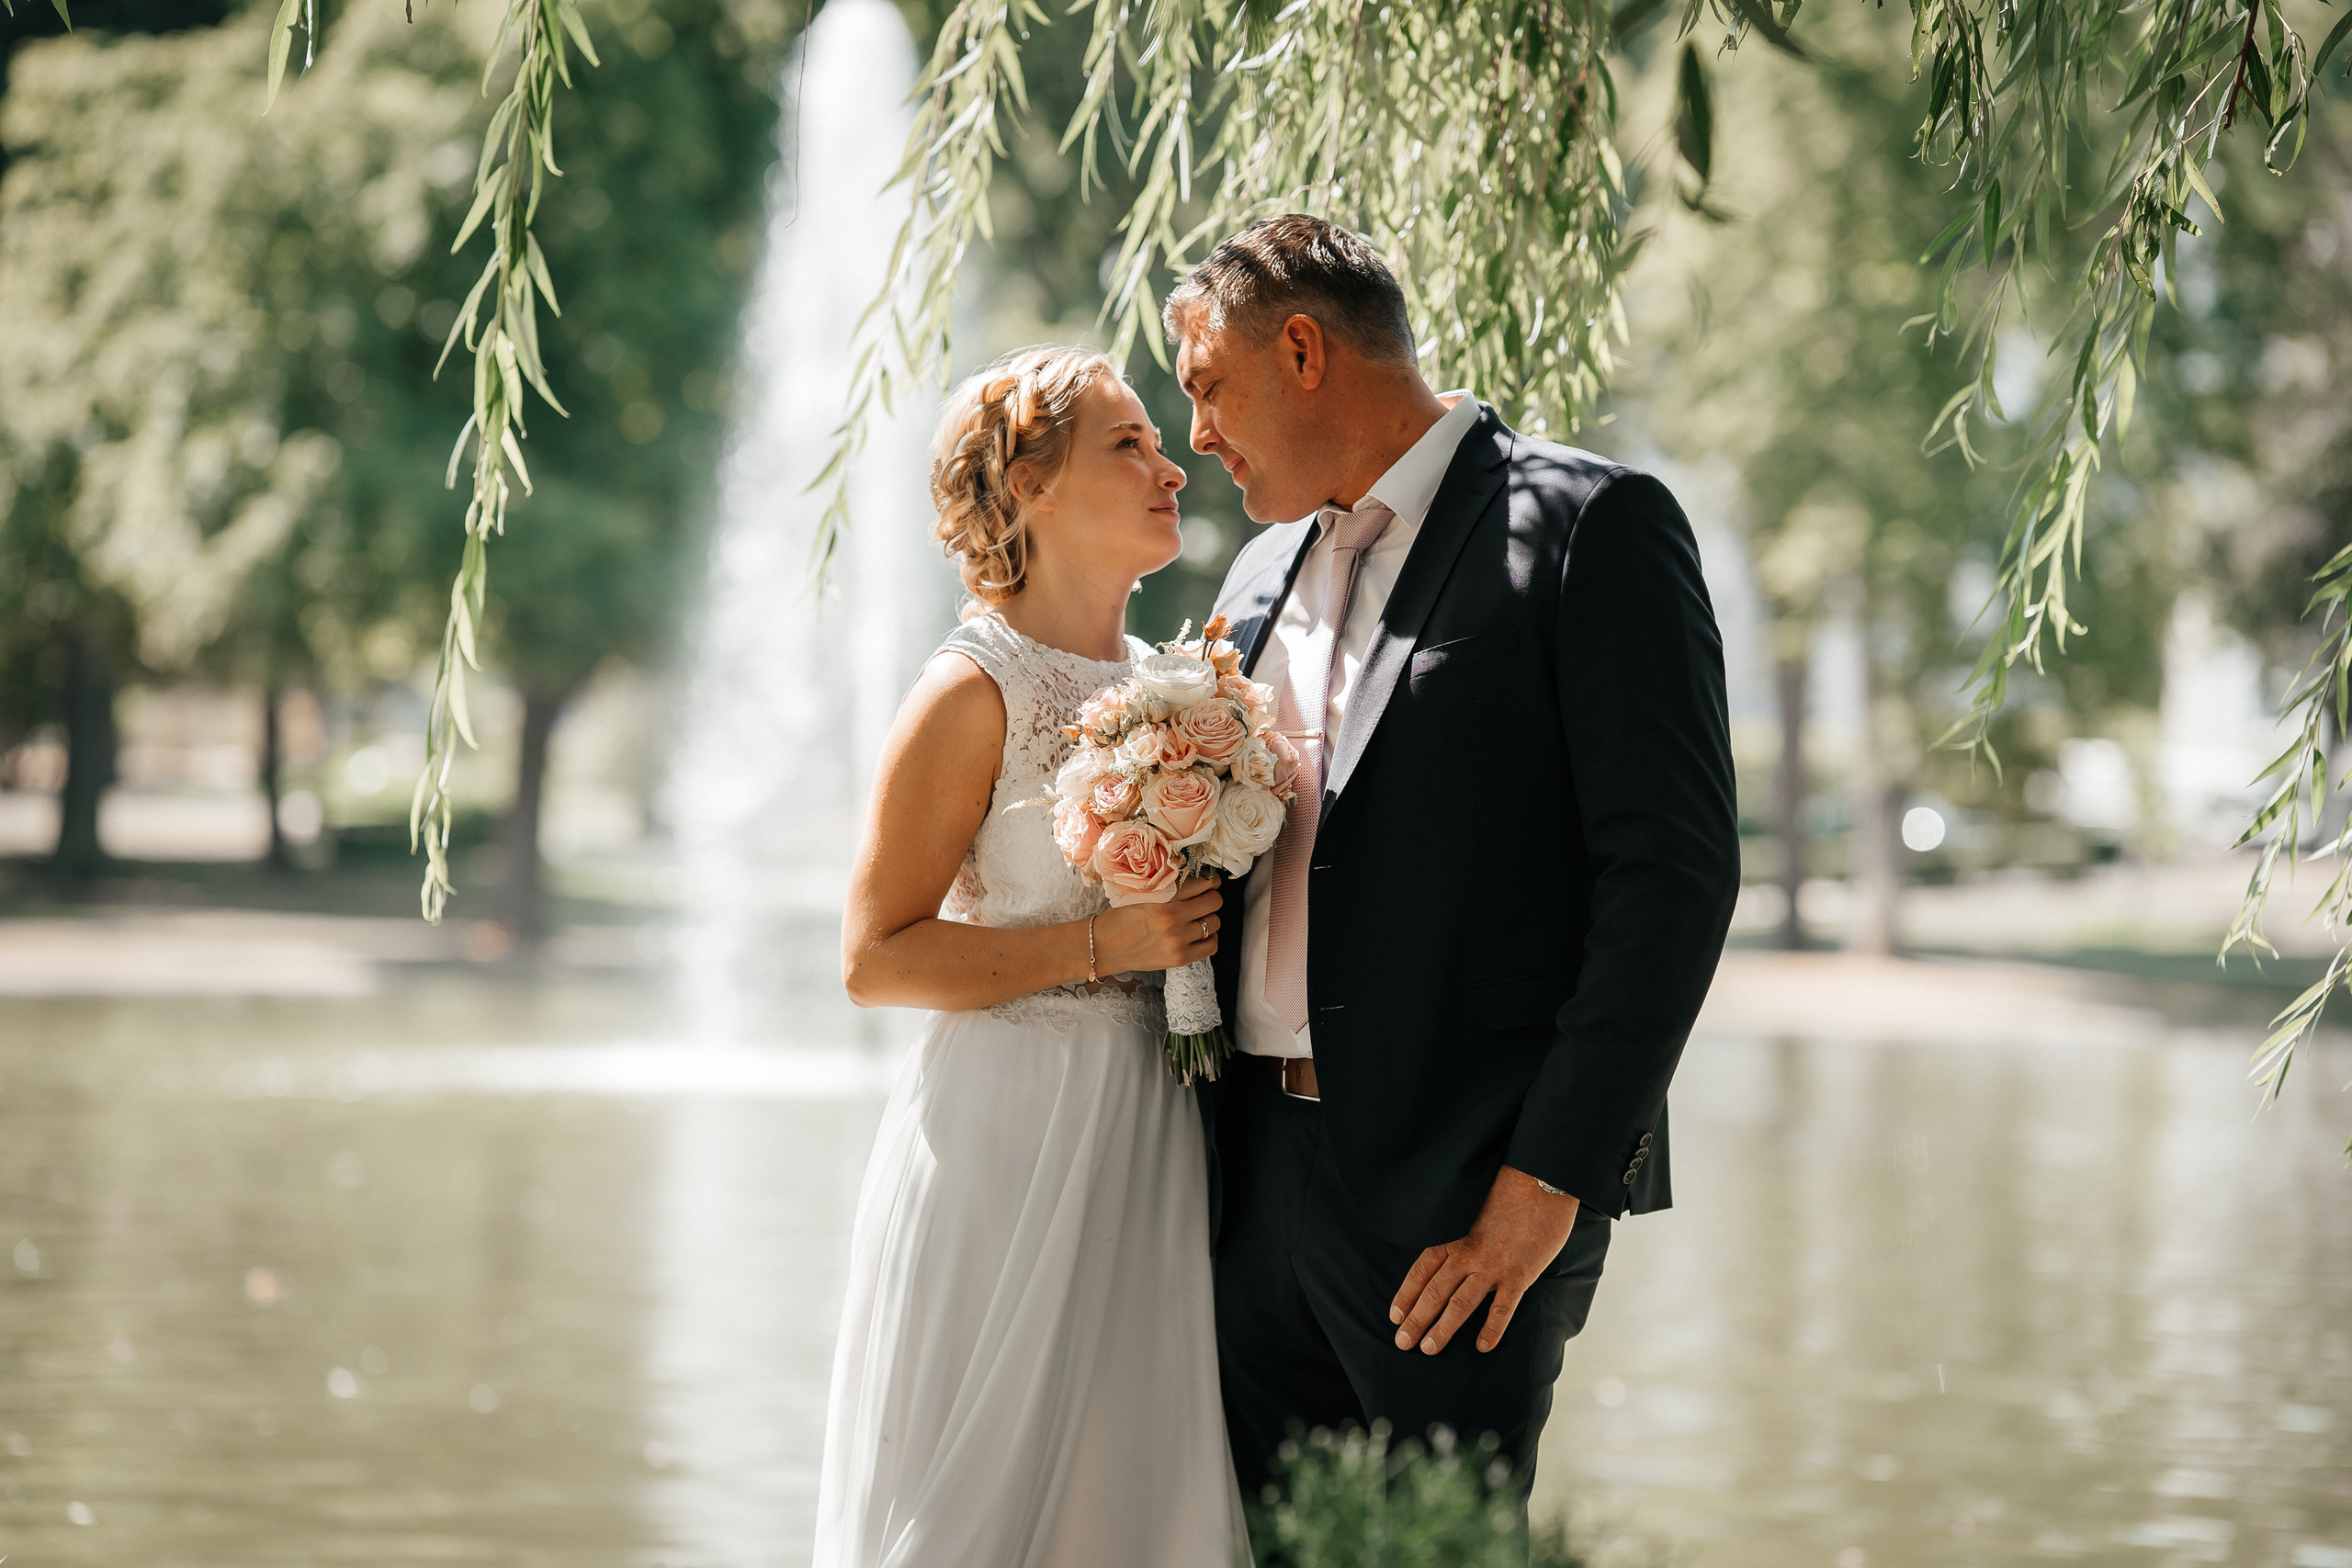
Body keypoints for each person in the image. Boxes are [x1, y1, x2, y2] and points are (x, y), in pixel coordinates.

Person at [1171, 216, 1741, 1504]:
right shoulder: (1260, 571)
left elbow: (1673, 878)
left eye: (1209, 388)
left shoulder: (1590, 526)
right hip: (1246, 1182)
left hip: (1463, 1193)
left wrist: (1546, 1190)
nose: (1197, 434)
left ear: (1304, 349)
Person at [816, 346, 1248, 1567]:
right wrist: (1107, 941)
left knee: (1126, 1498)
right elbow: (874, 959)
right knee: (983, 1497)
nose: (1174, 465)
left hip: (1148, 1136)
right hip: (1004, 1139)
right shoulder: (972, 690)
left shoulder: (1179, 686)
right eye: (1130, 443)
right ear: (1032, 483)